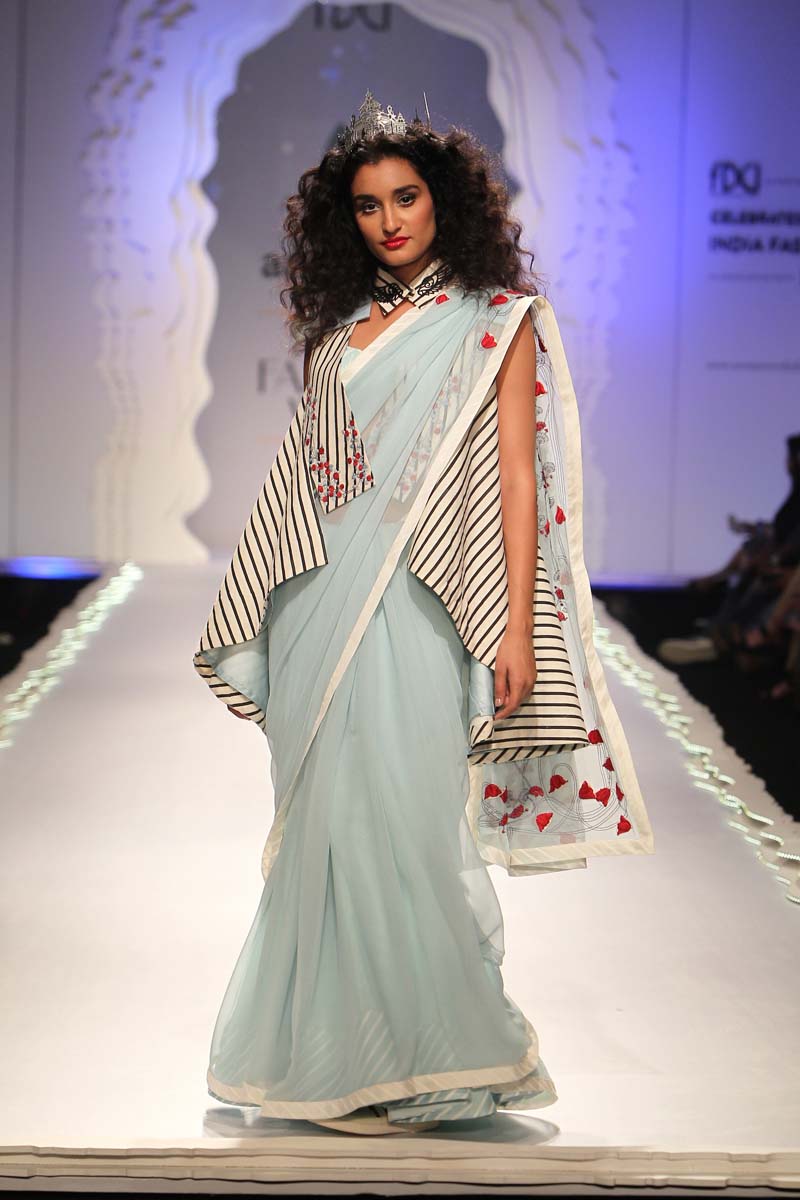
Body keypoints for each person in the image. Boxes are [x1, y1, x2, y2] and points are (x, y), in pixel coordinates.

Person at [193, 91, 653, 1135]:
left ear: (442, 201)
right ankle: (338, 1061)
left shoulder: (497, 321)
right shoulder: (336, 331)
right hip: (319, 605)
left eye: (405, 197)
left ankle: (435, 1056)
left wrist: (517, 626)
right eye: (367, 205)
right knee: (327, 828)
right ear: (344, 220)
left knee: (403, 823)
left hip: (421, 603)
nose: (389, 220)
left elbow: (516, 479)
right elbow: (313, 482)